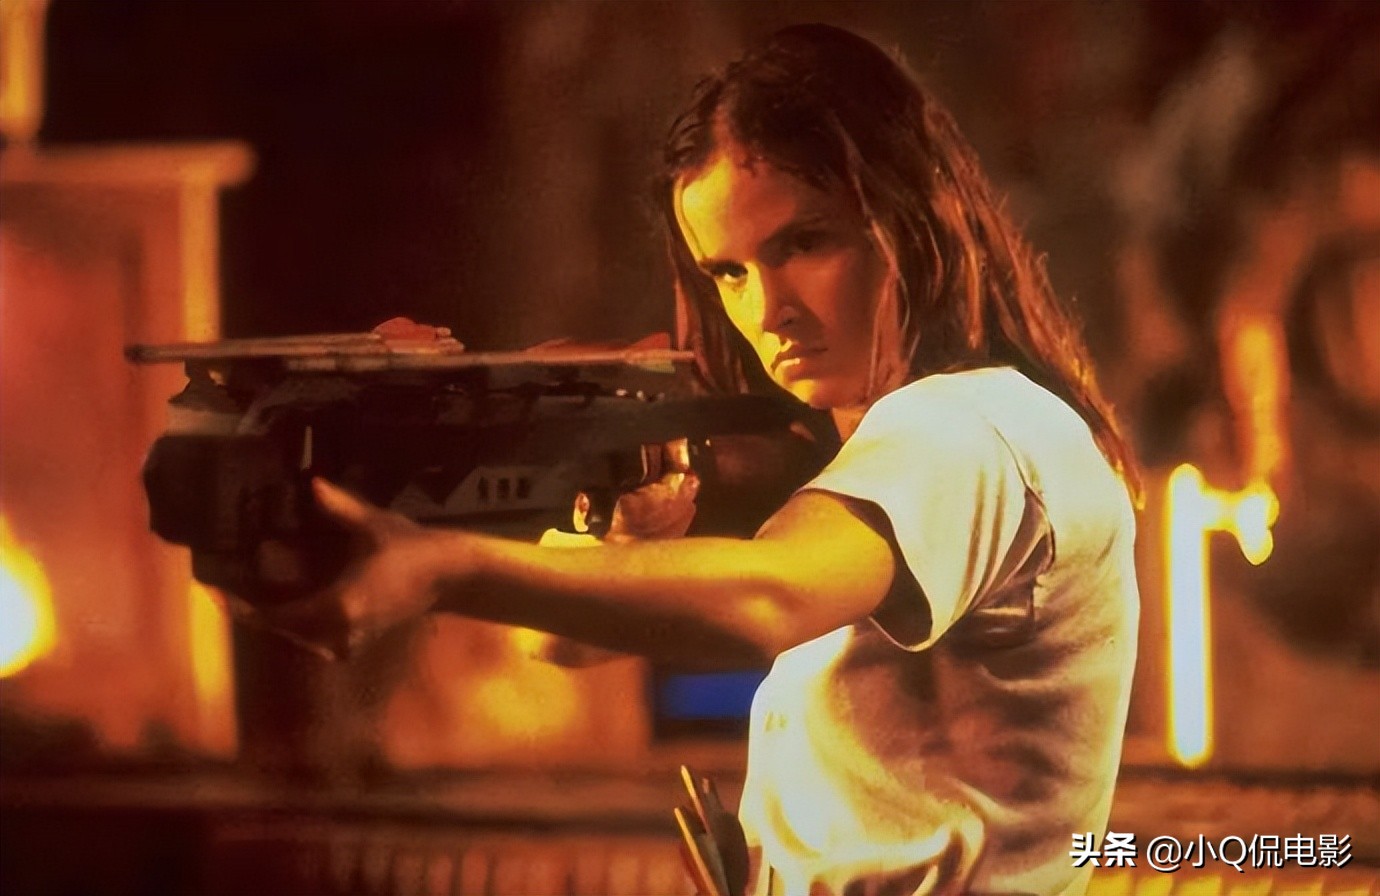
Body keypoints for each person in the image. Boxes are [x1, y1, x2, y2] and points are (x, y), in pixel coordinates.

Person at [268, 24, 1142, 896]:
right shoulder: (930, 439)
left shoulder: (968, 427)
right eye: (728, 272)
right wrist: (622, 538)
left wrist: (441, 566)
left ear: (910, 223)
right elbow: (556, 642)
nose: (767, 310)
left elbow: (765, 599)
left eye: (805, 243)